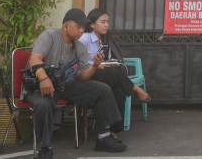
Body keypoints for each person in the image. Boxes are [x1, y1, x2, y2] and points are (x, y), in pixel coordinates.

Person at [26, 9, 127, 159]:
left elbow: (82, 76)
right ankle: (45, 147)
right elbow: (34, 58)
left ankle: (104, 138)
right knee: (44, 104)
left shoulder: (80, 47)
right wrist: (43, 78)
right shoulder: (50, 36)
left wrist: (94, 66)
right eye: (78, 27)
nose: (81, 31)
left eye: (83, 28)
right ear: (66, 25)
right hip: (42, 85)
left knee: (103, 90)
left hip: (67, 85)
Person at [79, 9, 151, 138]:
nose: (106, 25)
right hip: (88, 74)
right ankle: (135, 88)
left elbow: (106, 59)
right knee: (113, 74)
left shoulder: (104, 39)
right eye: (103, 22)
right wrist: (96, 65)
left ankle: (113, 131)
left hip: (103, 73)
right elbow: (78, 64)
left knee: (119, 89)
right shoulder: (84, 38)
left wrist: (108, 63)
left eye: (107, 22)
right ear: (92, 24)